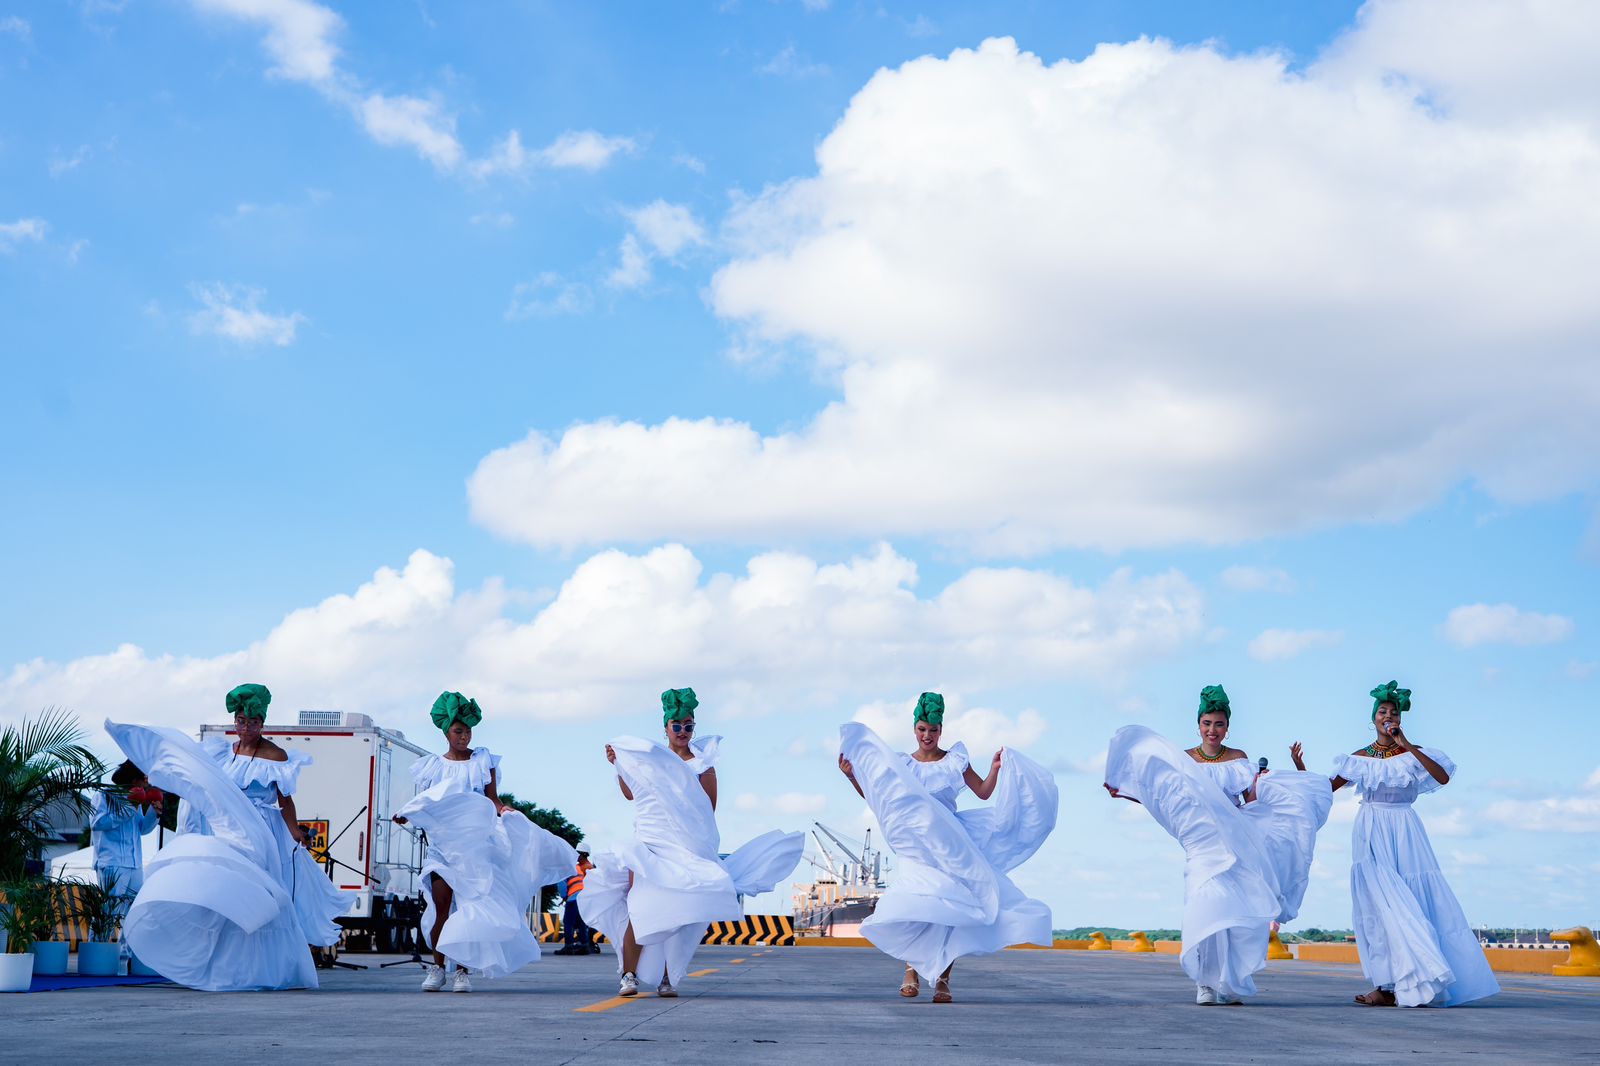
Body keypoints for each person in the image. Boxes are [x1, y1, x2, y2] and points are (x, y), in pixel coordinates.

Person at [104, 683, 345, 990]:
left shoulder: (276, 755)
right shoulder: (219, 752)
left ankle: (267, 967)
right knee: (227, 890)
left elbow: (285, 800)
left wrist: (295, 831)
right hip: (229, 833)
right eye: (241, 721)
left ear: (262, 723)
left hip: (263, 834)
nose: (246, 728)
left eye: (253, 722)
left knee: (260, 896)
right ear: (235, 721)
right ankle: (226, 965)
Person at [1104, 685, 1332, 1005]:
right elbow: (1164, 799)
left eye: (1219, 724)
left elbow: (1252, 803)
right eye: (1207, 723)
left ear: (1227, 727)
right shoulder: (1183, 761)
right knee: (1204, 909)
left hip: (1236, 843)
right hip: (1200, 845)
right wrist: (1127, 792)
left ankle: (1230, 982)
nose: (1213, 730)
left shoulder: (1239, 759)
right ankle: (1205, 983)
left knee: (1234, 915)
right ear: (1198, 725)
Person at [580, 687, 803, 999]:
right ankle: (628, 975)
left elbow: (707, 811)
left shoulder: (703, 764)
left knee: (683, 914)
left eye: (689, 726)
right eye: (677, 725)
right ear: (666, 728)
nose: (683, 731)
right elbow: (632, 794)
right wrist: (619, 766)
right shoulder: (649, 759)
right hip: (650, 845)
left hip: (686, 849)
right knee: (640, 908)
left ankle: (667, 979)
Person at [838, 692, 1058, 1003]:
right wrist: (851, 777)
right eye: (922, 729)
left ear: (942, 729)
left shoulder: (955, 761)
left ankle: (943, 979)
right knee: (917, 903)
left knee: (952, 909)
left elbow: (982, 793)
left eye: (934, 730)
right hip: (916, 847)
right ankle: (911, 970)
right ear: (914, 728)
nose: (927, 736)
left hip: (951, 845)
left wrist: (995, 768)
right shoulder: (901, 764)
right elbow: (880, 800)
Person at [1302, 681, 1498, 1008]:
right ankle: (1386, 985)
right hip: (1371, 829)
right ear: (1373, 718)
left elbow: (1442, 777)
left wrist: (1404, 743)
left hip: (1405, 828)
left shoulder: (1412, 754)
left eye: (1393, 713)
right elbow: (1325, 790)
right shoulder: (1360, 758)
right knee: (1377, 906)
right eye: (1382, 712)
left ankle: (1418, 977)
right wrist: (1300, 771)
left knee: (1412, 899)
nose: (1387, 716)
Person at [392, 691, 576, 993]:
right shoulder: (432, 766)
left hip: (476, 849)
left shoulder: (482, 760)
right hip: (442, 848)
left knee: (470, 908)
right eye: (458, 731)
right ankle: (438, 967)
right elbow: (426, 802)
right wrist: (407, 815)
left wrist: (505, 811)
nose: (464, 736)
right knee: (441, 907)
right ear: (446, 732)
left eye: (467, 731)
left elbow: (492, 800)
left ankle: (462, 971)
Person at [87, 760, 161, 957]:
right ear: (134, 779)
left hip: (134, 863)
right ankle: (96, 953)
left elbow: (142, 828)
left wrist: (155, 812)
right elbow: (97, 823)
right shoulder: (104, 795)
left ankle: (125, 955)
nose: (147, 782)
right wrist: (129, 807)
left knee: (133, 911)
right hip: (111, 862)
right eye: (144, 778)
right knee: (108, 910)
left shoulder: (136, 798)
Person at [556, 847, 597, 955]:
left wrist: (564, 896)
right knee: (581, 922)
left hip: (573, 898)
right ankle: (584, 946)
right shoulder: (577, 867)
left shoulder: (564, 867)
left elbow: (561, 884)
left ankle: (568, 946)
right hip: (583, 897)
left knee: (568, 922)